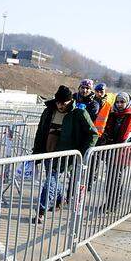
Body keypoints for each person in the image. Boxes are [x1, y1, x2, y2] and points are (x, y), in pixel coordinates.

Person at [31, 85, 99, 223]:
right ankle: (61, 198)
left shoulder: (79, 113)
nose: (60, 105)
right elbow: (40, 132)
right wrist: (36, 151)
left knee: (50, 181)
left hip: (66, 154)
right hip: (47, 151)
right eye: (58, 102)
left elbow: (93, 134)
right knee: (53, 180)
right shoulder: (48, 111)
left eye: (64, 103)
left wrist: (82, 152)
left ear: (70, 101)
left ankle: (41, 211)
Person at [98, 92, 131, 213]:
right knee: (110, 177)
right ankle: (110, 202)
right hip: (110, 150)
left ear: (128, 102)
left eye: (122, 102)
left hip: (124, 151)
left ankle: (114, 204)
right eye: (118, 101)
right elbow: (106, 128)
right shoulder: (112, 113)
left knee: (116, 177)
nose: (119, 104)